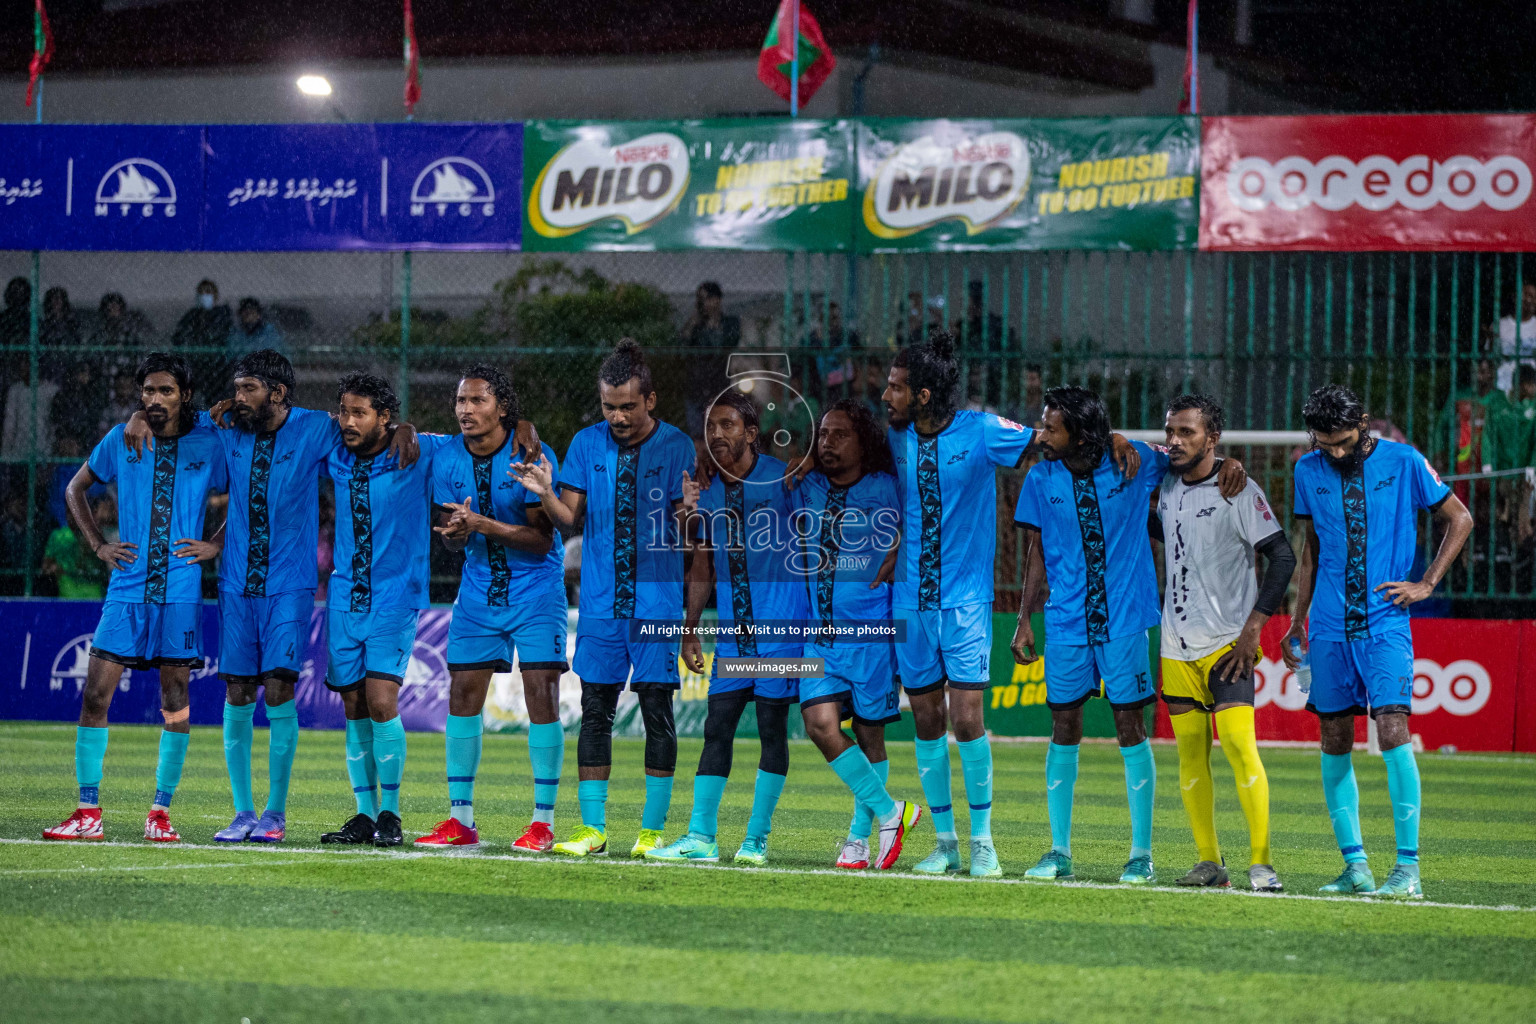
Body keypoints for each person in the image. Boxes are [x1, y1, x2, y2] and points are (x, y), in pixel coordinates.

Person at [1011, 386, 1246, 885]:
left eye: (1053, 426)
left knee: (1129, 728)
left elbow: (1189, 456)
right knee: (1064, 728)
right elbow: (1036, 549)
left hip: (1125, 618)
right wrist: (1024, 618)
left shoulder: (1134, 461)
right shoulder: (1040, 476)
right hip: (1067, 621)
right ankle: (1058, 852)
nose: (1043, 433)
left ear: (1080, 431)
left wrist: (1227, 463)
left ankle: (1141, 855)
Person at [1281, 385, 1472, 899]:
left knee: (1392, 730)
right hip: (1326, 624)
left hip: (1385, 622)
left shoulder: (1405, 461)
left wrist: (1427, 582)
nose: (1335, 452)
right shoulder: (1307, 469)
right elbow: (1311, 549)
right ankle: (1356, 866)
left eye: (1343, 441)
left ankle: (1407, 870)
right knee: (1334, 739)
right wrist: (1297, 619)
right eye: (1325, 444)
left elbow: (1460, 517)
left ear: (1364, 423)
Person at [514, 339, 695, 858]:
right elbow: (570, 519)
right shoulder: (586, 444)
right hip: (598, 604)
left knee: (657, 711)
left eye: (627, 407)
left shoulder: (678, 445)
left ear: (651, 401)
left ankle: (651, 833)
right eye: (609, 406)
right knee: (595, 711)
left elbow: (690, 527)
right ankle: (593, 829)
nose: (617, 416)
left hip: (657, 603)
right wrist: (545, 491)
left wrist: (690, 514)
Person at [43, 352, 227, 843]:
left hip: (182, 590)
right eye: (147, 391)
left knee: (176, 698)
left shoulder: (210, 442)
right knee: (95, 693)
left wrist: (218, 543)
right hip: (126, 587)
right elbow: (75, 489)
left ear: (185, 395)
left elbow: (254, 489)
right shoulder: (121, 438)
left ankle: (160, 814)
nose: (154, 399)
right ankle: (87, 811)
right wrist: (99, 545)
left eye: (165, 391)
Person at [882, 330, 1036, 878]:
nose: (887, 395)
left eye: (897, 388)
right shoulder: (894, 439)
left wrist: (1113, 442)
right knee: (925, 719)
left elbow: (1051, 442)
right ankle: (944, 843)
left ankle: (983, 842)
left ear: (924, 395)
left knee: (967, 719)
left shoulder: (983, 430)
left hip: (967, 601)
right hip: (909, 600)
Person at [646, 392, 808, 866]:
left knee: (771, 729)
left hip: (781, 630)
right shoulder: (709, 489)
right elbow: (703, 566)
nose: (717, 433)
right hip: (735, 636)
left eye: (728, 425)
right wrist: (690, 627)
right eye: (712, 426)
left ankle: (756, 839)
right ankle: (701, 836)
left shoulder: (783, 477)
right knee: (716, 727)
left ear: (752, 433)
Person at [415, 365, 569, 852]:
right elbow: (454, 533)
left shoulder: (531, 456)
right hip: (479, 588)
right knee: (461, 696)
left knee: (541, 694)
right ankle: (461, 821)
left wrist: (481, 525)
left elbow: (543, 541)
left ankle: (542, 823)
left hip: (535, 589)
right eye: (460, 401)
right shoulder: (444, 458)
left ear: (503, 408)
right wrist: (458, 534)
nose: (466, 409)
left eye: (478, 400)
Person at [1153, 394, 1294, 892]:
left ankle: (1262, 863)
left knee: (1237, 744)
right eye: (1171, 431)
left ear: (1213, 438)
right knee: (1190, 753)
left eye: (1187, 433)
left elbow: (1282, 557)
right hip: (1176, 646)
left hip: (1226, 644)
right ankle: (1209, 862)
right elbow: (1115, 449)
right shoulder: (1162, 481)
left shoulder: (1239, 488)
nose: (1175, 440)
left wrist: (1253, 631)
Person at [317, 372, 453, 848]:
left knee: (380, 702)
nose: (348, 422)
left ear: (386, 417)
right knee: (353, 706)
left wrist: (520, 426)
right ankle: (363, 815)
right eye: (344, 411)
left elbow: (475, 440)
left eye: (360, 413)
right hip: (344, 596)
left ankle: (391, 814)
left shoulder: (416, 452)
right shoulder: (333, 450)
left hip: (396, 596)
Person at [794, 400, 922, 871]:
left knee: (870, 736)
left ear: (863, 442)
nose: (827, 443)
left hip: (872, 637)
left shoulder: (887, 487)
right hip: (820, 636)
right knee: (820, 725)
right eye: (822, 435)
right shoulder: (805, 485)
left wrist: (903, 544)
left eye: (839, 435)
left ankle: (858, 840)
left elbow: (925, 524)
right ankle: (893, 812)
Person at [683, 281, 742, 434]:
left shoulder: (730, 323)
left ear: (717, 299)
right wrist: (693, 325)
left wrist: (714, 325)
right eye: (701, 300)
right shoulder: (696, 326)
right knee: (697, 434)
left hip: (718, 382)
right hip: (697, 383)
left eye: (708, 298)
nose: (705, 304)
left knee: (718, 432)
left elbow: (731, 341)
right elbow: (683, 347)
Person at [42, 495, 111, 599]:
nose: (72, 516)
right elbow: (46, 567)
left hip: (95, 593)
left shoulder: (97, 536)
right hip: (67, 594)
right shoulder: (58, 536)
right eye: (69, 512)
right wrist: (54, 569)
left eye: (76, 512)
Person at [173, 279, 235, 391]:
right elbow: (178, 336)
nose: (204, 296)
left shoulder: (223, 314)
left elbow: (223, 336)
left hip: (219, 366)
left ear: (215, 296)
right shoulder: (192, 316)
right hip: (197, 365)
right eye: (201, 292)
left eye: (208, 292)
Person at [1492, 281, 1536, 393]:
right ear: (1515, 297)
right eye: (1527, 295)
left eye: (1534, 297)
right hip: (1503, 387)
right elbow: (1489, 358)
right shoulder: (1499, 325)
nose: (1530, 300)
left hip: (1532, 390)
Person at [227, 297, 285, 363]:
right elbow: (231, 354)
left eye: (252, 312)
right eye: (246, 313)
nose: (249, 316)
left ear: (258, 315)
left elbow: (272, 351)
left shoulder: (269, 331)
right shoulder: (237, 332)